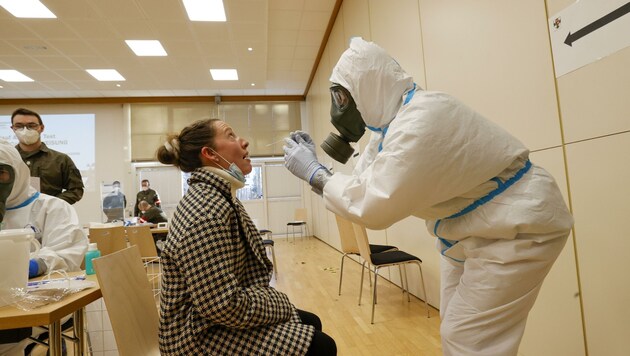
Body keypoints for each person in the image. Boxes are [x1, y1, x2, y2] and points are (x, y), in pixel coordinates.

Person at [283, 38, 573, 355]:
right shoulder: (388, 131)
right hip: (470, 232)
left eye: (341, 97)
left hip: (518, 225)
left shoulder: (423, 118)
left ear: (368, 86)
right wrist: (318, 169)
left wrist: (314, 172)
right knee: (455, 328)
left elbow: (373, 206)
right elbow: (361, 185)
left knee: (468, 338)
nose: (338, 108)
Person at [156, 119, 336, 355]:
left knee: (311, 321)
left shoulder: (219, 196)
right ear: (209, 154)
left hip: (209, 320)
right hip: (194, 338)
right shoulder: (206, 212)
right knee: (321, 346)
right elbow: (222, 305)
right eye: (230, 135)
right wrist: (279, 302)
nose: (244, 141)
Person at [0, 140, 88, 355]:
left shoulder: (51, 207)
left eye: (1, 173)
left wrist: (36, 265)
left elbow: (69, 250)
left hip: (34, 310)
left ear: (18, 172)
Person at [11, 108, 84, 205]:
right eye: (19, 126)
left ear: (41, 128)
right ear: (13, 129)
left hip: (51, 216)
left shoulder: (61, 159)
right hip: (12, 216)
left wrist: (51, 204)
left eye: (31, 125)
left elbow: (76, 190)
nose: (25, 130)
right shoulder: (5, 159)